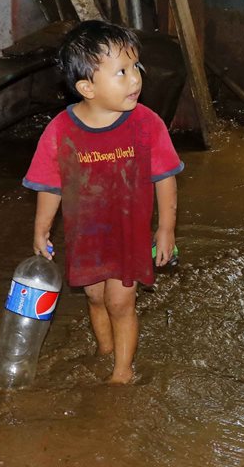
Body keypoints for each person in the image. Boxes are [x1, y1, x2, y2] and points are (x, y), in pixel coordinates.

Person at [22, 20, 183, 385]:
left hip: (129, 233)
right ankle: (105, 352)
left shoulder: (147, 124)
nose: (136, 80)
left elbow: (165, 177)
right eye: (121, 72)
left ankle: (122, 372)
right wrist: (41, 228)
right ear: (86, 87)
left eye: (135, 68)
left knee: (120, 303)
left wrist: (166, 229)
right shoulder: (61, 131)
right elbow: (50, 185)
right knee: (95, 298)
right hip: (87, 236)